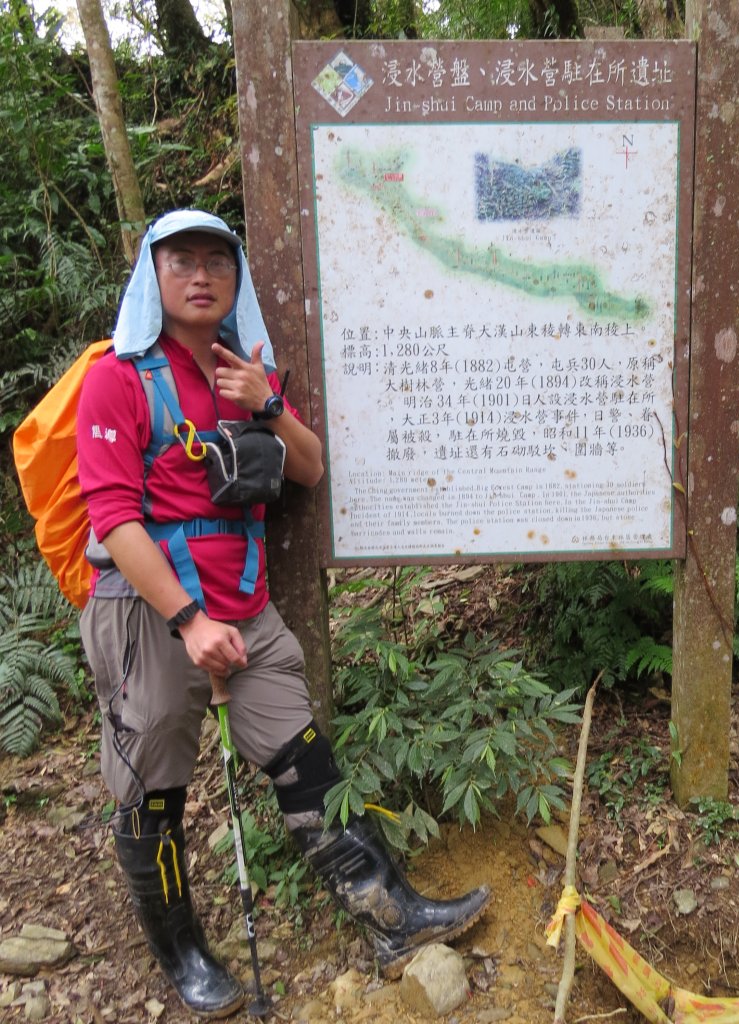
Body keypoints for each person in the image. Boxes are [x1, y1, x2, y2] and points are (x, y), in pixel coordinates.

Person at [77, 209, 491, 1017]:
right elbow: (114, 520)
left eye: (216, 263)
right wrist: (189, 620)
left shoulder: (247, 368)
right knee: (151, 784)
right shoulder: (119, 378)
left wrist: (265, 402)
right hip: (149, 615)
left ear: (236, 279)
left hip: (248, 606)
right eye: (181, 262)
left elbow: (308, 468)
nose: (201, 277)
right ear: (152, 279)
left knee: (301, 754)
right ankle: (183, 952)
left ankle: (389, 914)